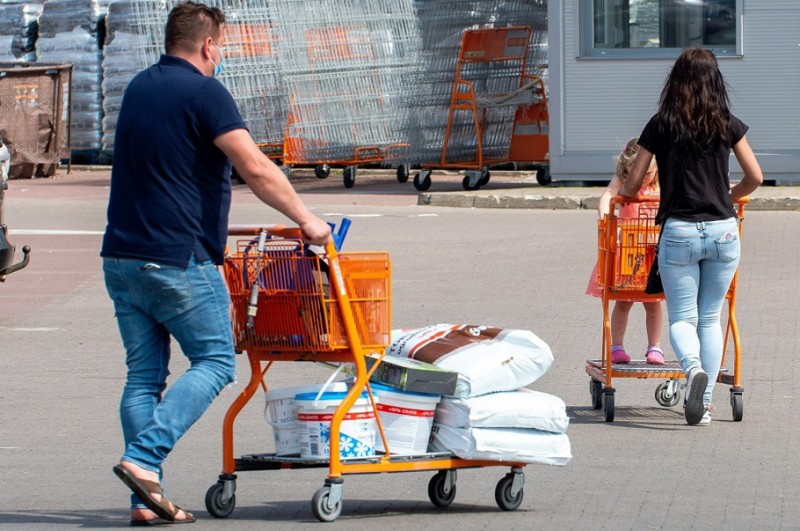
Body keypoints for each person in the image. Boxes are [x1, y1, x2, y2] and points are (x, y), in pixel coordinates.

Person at [101, 2, 331, 524]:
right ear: (208, 46)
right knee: (216, 361)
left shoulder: (140, 86)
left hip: (121, 255)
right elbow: (254, 166)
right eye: (222, 46)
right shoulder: (206, 91)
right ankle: (141, 460)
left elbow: (167, 167)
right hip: (175, 259)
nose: (222, 55)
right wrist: (307, 219)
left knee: (143, 379)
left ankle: (145, 500)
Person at [620, 48, 762, 426]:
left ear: (675, 81)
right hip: (723, 230)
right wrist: (728, 196)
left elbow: (633, 184)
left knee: (682, 317)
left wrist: (626, 194)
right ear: (715, 81)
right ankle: (706, 405)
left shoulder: (661, 123)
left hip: (679, 230)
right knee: (710, 318)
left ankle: (693, 370)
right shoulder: (726, 122)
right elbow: (756, 177)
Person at [587, 138, 665, 365]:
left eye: (646, 172)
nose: (641, 178)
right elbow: (607, 197)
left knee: (653, 303)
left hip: (651, 251)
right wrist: (605, 222)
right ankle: (617, 347)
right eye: (635, 172)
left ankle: (655, 347)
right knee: (622, 301)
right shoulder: (622, 180)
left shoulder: (660, 183)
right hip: (628, 251)